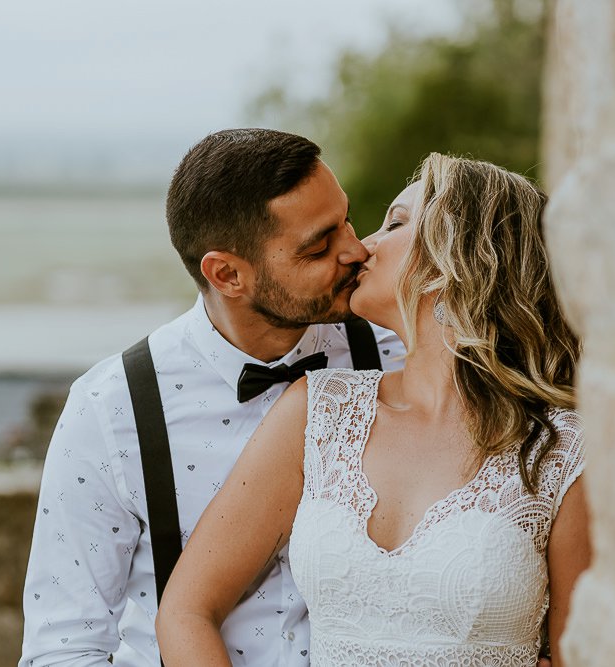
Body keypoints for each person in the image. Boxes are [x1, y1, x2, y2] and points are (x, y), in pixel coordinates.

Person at [156, 153, 591, 665]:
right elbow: (185, 610)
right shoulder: (318, 412)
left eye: (397, 223)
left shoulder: (565, 447)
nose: (363, 246)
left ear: (465, 256)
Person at [19, 128, 405, 666]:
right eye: (318, 246)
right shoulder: (112, 410)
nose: (355, 249)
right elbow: (63, 646)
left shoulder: (398, 358)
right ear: (227, 274)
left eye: (346, 220)